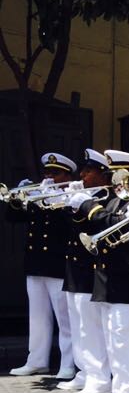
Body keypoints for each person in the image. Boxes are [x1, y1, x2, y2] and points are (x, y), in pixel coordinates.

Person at [69, 149, 129, 393]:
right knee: (115, 348)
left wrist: (89, 207)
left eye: (122, 174)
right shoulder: (115, 200)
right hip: (109, 283)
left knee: (125, 347)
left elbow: (114, 225)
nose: (116, 180)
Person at [8, 152, 76, 379]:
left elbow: (71, 225)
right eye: (47, 172)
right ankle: (36, 360)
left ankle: (68, 364)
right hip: (35, 264)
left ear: (67, 175)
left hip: (58, 265)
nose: (49, 177)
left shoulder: (72, 196)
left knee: (64, 319)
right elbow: (13, 217)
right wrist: (20, 198)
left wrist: (59, 199)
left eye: (55, 173)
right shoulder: (38, 196)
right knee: (37, 317)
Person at [62, 149, 112, 393]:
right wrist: (72, 203)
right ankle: (85, 372)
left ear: (103, 175)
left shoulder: (106, 198)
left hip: (90, 270)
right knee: (80, 327)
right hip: (75, 270)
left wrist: (84, 204)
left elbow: (98, 226)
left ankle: (99, 377)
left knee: (91, 329)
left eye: (88, 171)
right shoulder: (88, 196)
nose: (82, 175)